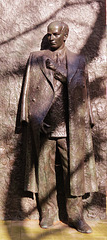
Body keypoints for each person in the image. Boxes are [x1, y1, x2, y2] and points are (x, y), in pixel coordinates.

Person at [16, 21, 98, 233]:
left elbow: (83, 92)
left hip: (70, 128)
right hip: (44, 126)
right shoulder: (36, 58)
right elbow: (27, 93)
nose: (51, 38)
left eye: (55, 34)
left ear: (65, 36)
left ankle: (76, 217)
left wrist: (60, 72)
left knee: (74, 172)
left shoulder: (78, 60)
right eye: (48, 34)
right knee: (44, 172)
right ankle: (48, 213)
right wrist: (32, 119)